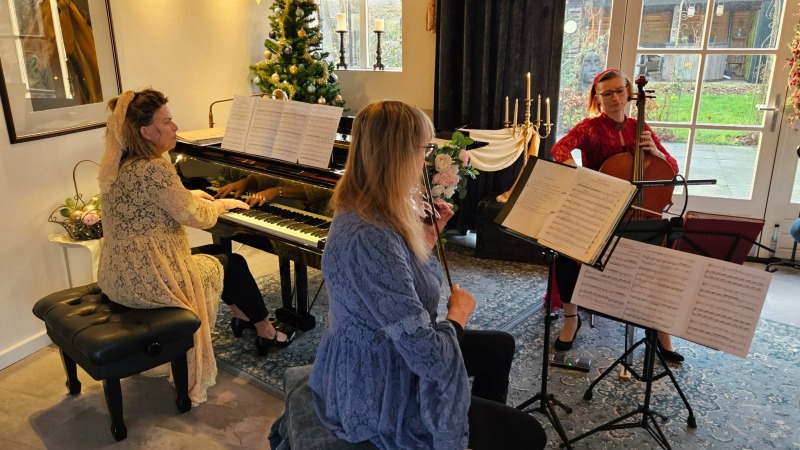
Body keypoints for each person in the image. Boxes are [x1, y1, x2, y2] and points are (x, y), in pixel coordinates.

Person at [304, 100, 547, 449]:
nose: (426, 159)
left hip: (390, 347)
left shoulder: (365, 206)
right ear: (397, 156)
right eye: (425, 149)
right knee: (529, 434)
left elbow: (401, 285)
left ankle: (472, 429)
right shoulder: (370, 236)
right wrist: (457, 317)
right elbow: (429, 358)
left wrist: (426, 240)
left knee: (500, 347)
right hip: (382, 380)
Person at [97, 88, 294, 405]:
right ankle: (266, 331)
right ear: (146, 131)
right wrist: (222, 204)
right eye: (167, 121)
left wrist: (191, 196)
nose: (175, 127)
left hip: (118, 276)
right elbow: (198, 217)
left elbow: (158, 200)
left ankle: (244, 316)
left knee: (221, 258)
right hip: (150, 282)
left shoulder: (122, 163)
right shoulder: (155, 168)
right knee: (233, 264)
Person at [550, 69, 685, 363]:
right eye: (607, 93)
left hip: (641, 212)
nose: (614, 98)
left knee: (663, 262)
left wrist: (656, 153)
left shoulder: (640, 127)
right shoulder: (589, 128)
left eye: (619, 91)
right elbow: (559, 149)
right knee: (565, 253)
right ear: (597, 98)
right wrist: (583, 176)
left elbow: (672, 166)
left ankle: (660, 329)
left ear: (629, 93)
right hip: (600, 209)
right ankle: (571, 319)